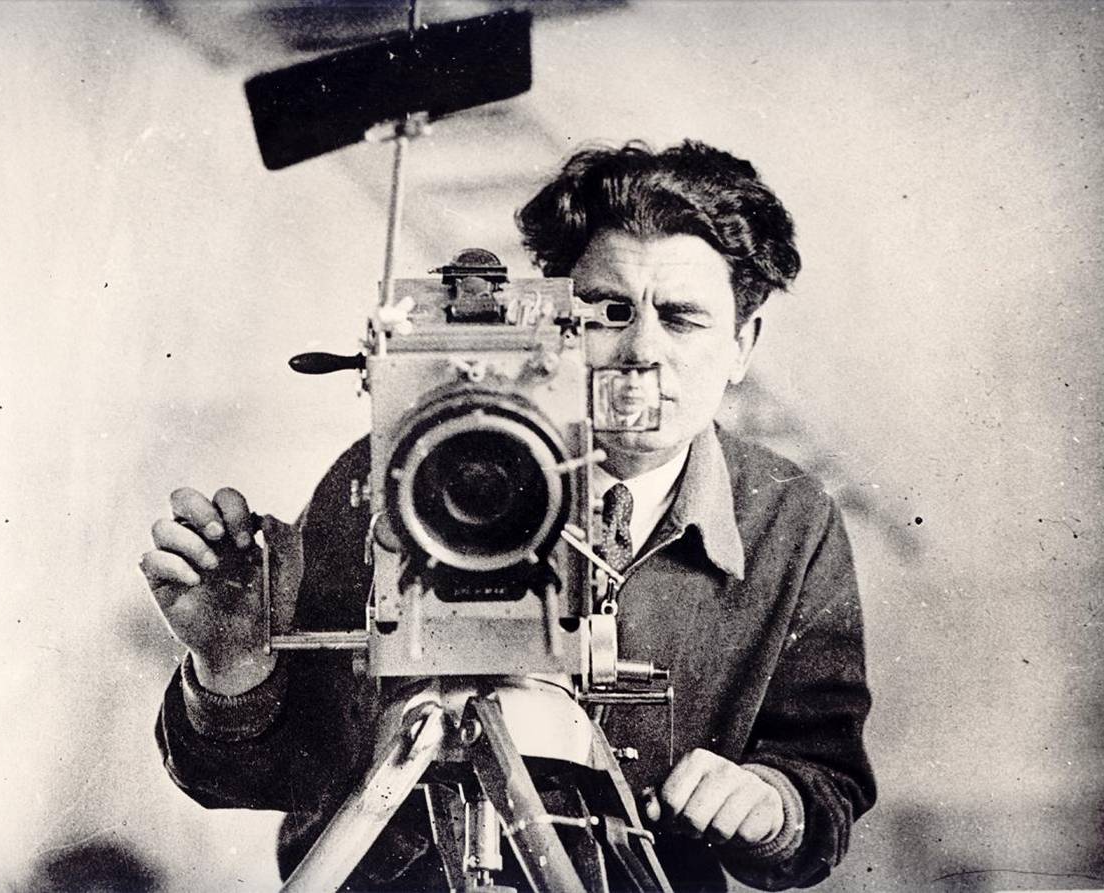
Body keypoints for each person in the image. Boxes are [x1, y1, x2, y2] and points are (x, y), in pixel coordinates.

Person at [143, 140, 876, 891]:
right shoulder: (393, 477)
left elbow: (825, 783)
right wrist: (232, 666)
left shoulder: (789, 521)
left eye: (682, 319)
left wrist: (772, 804)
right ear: (551, 323)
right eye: (608, 311)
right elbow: (262, 779)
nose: (640, 350)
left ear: (741, 345)